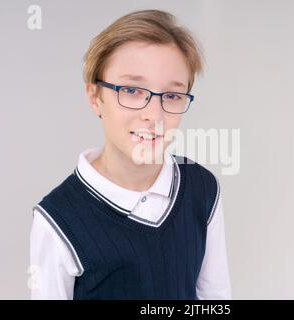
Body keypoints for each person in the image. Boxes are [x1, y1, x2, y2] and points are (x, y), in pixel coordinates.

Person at [30, 9, 231, 300]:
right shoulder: (58, 219)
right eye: (133, 91)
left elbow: (216, 295)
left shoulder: (202, 188)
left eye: (172, 96)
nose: (154, 114)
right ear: (95, 97)